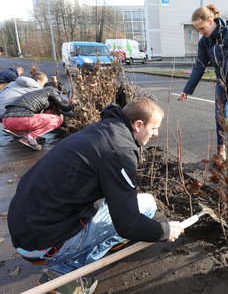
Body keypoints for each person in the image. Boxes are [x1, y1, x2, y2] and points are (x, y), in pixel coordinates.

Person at [8, 98, 184, 294]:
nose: (156, 133)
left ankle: (80, 251)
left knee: (118, 207)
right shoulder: (121, 150)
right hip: (41, 244)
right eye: (154, 128)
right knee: (147, 205)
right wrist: (164, 231)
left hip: (23, 227)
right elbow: (128, 224)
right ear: (138, 125)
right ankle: (64, 272)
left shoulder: (105, 129)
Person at [178, 4, 228, 165]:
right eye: (197, 30)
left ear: (210, 21)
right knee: (219, 117)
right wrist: (187, 90)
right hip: (221, 82)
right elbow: (199, 66)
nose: (200, 32)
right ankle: (220, 150)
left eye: (201, 28)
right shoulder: (204, 43)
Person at [2, 84, 74, 150]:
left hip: (6, 121)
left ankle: (33, 137)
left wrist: (65, 125)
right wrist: (72, 103)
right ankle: (30, 137)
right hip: (20, 120)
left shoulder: (37, 95)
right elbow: (65, 108)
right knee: (58, 120)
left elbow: (46, 117)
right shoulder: (51, 90)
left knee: (41, 117)